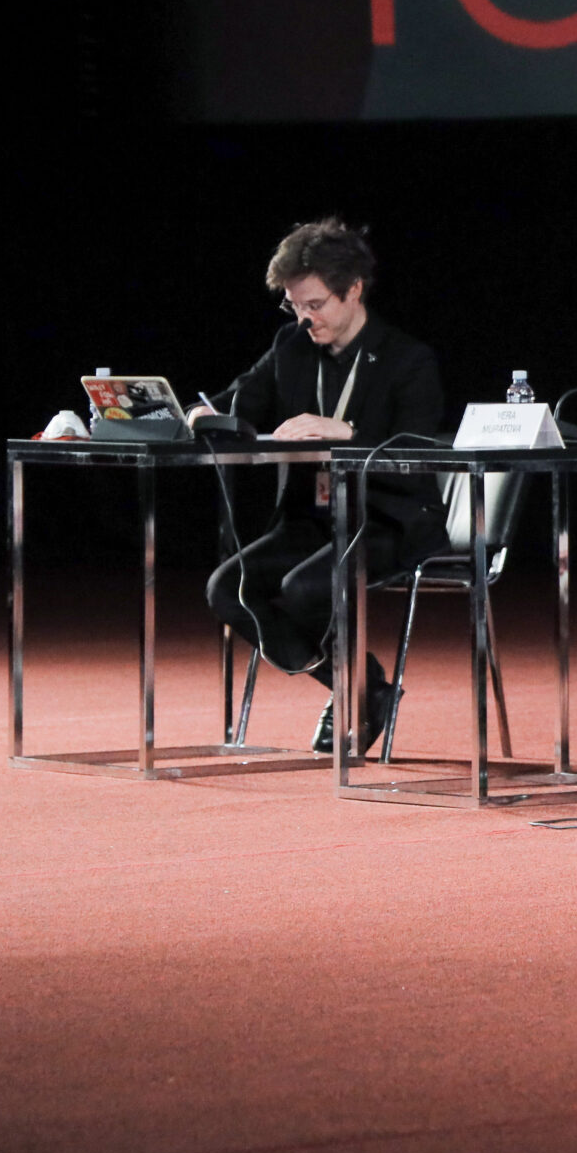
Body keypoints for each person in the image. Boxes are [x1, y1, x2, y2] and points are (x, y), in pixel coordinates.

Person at [198, 218, 445, 754]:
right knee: (228, 589)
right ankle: (358, 686)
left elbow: (418, 452)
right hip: (312, 519)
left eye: (315, 304)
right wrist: (199, 413)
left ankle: (356, 688)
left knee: (305, 588)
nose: (304, 318)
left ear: (353, 290)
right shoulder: (291, 344)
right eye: (294, 305)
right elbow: (239, 400)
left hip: (388, 519)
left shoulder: (408, 359)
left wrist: (349, 433)